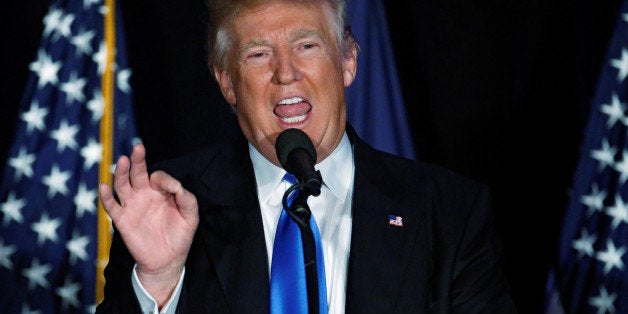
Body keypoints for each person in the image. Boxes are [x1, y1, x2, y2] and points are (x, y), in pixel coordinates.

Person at [96, 0, 517, 313]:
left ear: (348, 61)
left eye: (307, 45)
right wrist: (160, 281)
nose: (285, 73)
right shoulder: (168, 204)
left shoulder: (448, 212)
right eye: (258, 54)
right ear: (227, 83)